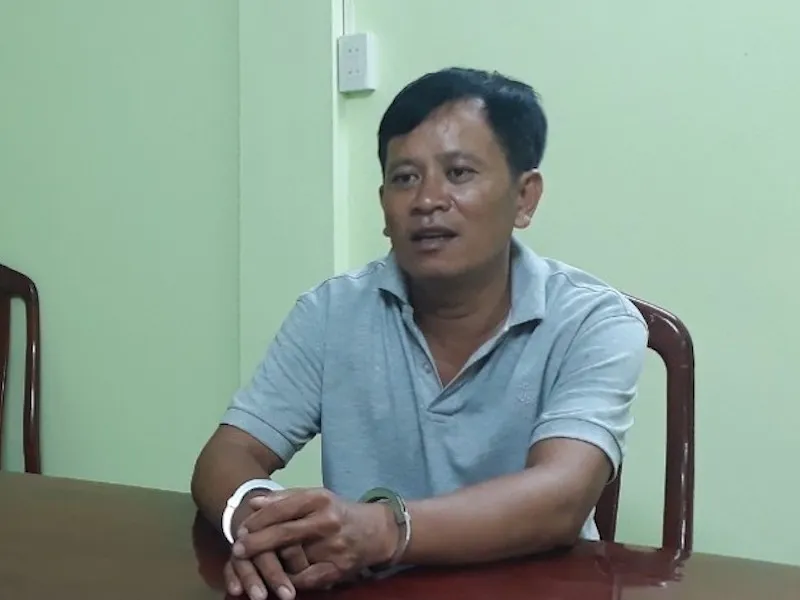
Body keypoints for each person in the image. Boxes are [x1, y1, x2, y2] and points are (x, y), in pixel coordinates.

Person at [191, 66, 648, 600]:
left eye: (458, 173)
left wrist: (382, 530)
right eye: (405, 178)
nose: (427, 200)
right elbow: (226, 456)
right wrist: (261, 526)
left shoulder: (594, 321)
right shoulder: (332, 312)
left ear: (525, 197)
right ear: (384, 206)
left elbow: (561, 499)